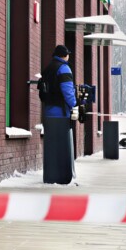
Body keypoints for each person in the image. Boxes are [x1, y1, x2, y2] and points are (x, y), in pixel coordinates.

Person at [40, 44, 78, 185]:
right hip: (61, 113)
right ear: (65, 55)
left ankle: (51, 175)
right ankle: (62, 176)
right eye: (68, 54)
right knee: (62, 147)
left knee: (52, 147)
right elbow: (68, 92)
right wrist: (74, 104)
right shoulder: (63, 68)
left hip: (49, 110)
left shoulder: (49, 68)